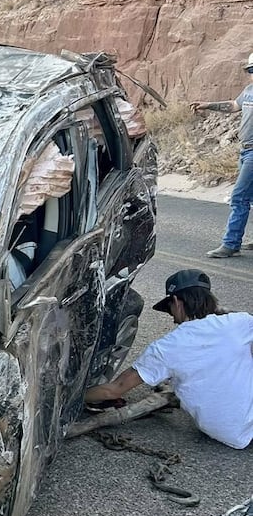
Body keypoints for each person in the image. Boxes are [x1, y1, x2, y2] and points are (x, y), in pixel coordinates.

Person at [84, 269, 253, 449]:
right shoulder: (239, 323)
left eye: (169, 308)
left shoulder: (165, 348)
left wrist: (71, 398)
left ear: (176, 302)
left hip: (225, 430)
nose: (172, 317)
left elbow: (113, 391)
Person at [191, 51, 253, 257]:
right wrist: (208, 105)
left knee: (239, 198)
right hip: (245, 150)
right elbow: (233, 106)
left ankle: (231, 243)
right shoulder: (248, 90)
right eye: (251, 70)